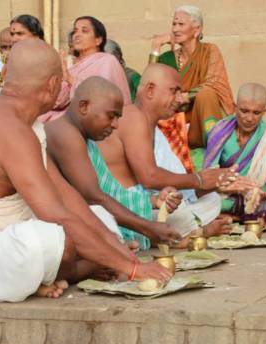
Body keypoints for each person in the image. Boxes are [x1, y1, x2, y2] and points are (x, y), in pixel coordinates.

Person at [0, 39, 171, 303]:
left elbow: (65, 195)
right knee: (45, 241)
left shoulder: (22, 122)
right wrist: (131, 268)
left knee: (97, 217)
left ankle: (62, 272)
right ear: (52, 85)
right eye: (63, 82)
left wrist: (112, 243)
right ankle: (73, 271)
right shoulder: (9, 127)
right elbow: (58, 217)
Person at [90, 64, 235, 244]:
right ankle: (192, 233)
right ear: (150, 90)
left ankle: (185, 231)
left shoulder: (152, 127)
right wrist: (199, 179)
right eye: (174, 91)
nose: (180, 99)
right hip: (125, 210)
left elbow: (163, 182)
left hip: (147, 204)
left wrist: (210, 183)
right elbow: (149, 177)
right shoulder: (133, 118)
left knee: (212, 200)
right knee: (183, 215)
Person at [45, 76, 182, 250]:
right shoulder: (65, 135)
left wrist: (153, 201)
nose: (116, 125)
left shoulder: (85, 139)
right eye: (111, 116)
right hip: (61, 223)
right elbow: (93, 198)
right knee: (100, 219)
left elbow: (110, 192)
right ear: (84, 106)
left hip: (93, 212)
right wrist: (148, 228)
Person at [204, 83, 266, 225]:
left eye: (256, 113)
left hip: (257, 198)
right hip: (226, 196)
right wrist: (234, 187)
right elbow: (208, 177)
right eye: (244, 111)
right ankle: (250, 218)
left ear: (265, 111)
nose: (249, 118)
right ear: (234, 107)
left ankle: (235, 217)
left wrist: (260, 195)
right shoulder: (219, 131)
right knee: (205, 200)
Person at [151, 5, 234, 169]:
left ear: (197, 29)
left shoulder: (210, 51)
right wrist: (155, 48)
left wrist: (187, 96)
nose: (175, 29)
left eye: (181, 24)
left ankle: (214, 152)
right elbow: (149, 87)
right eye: (174, 24)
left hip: (201, 121)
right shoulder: (167, 58)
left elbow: (215, 82)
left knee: (207, 94)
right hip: (175, 121)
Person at [40, 16, 131, 122]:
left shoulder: (107, 61)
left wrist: (71, 79)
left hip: (95, 124)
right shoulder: (70, 64)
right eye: (75, 31)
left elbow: (100, 98)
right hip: (63, 119)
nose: (77, 35)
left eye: (84, 31)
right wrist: (60, 77)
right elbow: (58, 103)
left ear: (98, 40)